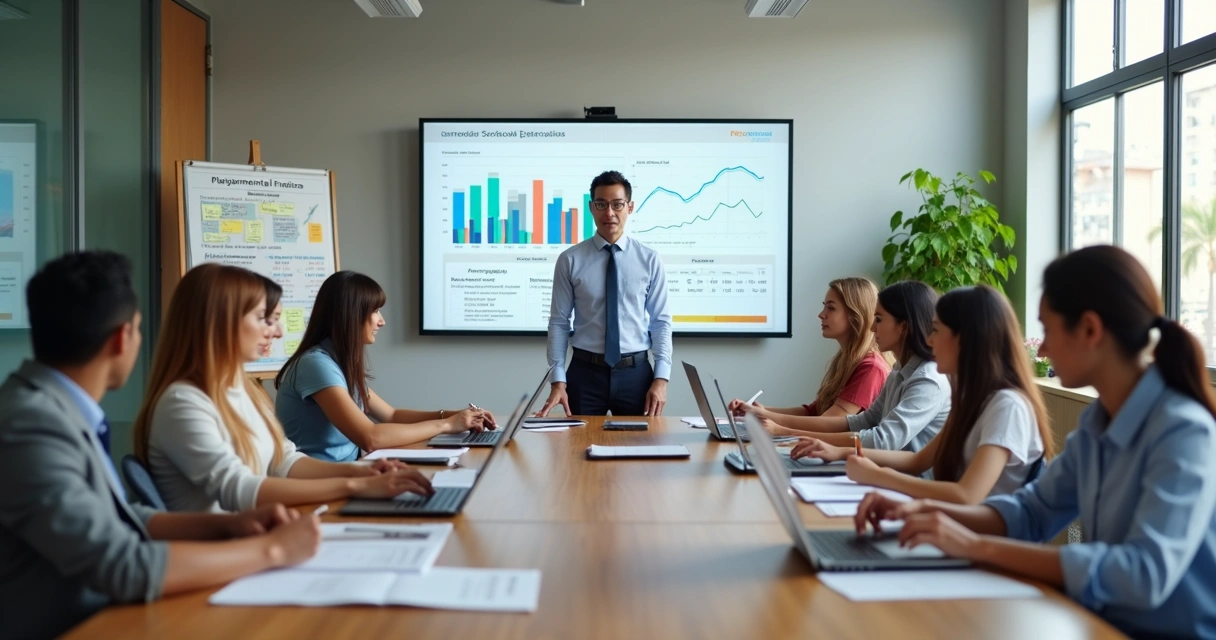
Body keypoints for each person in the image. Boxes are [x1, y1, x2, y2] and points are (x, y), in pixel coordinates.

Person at [857, 246, 1216, 639]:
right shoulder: (1097, 422)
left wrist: (975, 546)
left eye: (1047, 331)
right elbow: (1032, 512)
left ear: (1090, 330)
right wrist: (922, 510)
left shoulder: (1184, 430)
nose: (1040, 350)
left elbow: (1142, 574)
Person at [0, 251, 321, 640]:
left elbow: (115, 517)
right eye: (138, 329)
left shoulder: (52, 408)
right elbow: (123, 566)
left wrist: (229, 525)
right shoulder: (31, 425)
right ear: (122, 338)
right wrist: (273, 551)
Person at [134, 264, 434, 513]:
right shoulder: (182, 402)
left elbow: (284, 461)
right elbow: (237, 489)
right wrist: (355, 485)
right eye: (264, 319)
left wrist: (363, 471)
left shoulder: (246, 391)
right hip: (227, 551)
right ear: (219, 323)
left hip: (257, 535)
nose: (277, 332)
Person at [791, 285, 1053, 503]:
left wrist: (876, 475)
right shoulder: (970, 398)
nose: (929, 340)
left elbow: (966, 496)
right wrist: (840, 453)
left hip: (972, 536)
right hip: (946, 521)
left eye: (936, 330)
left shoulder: (1006, 406)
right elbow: (917, 461)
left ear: (964, 339)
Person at [275, 270, 494, 462]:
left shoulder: (337, 360)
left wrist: (454, 416)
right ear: (350, 316)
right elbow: (370, 437)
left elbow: (391, 415)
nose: (381, 321)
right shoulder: (315, 365)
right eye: (375, 311)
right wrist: (447, 425)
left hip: (348, 472)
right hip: (320, 484)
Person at [744, 280, 949, 453]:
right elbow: (862, 421)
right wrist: (768, 417)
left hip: (905, 482)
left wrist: (784, 430)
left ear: (903, 326)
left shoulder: (927, 380)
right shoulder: (898, 370)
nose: (872, 327)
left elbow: (881, 440)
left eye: (878, 319)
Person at [537, 170, 673, 418]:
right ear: (591, 208)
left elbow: (660, 322)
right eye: (601, 204)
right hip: (584, 374)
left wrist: (661, 379)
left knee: (641, 443)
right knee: (577, 443)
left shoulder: (650, 260)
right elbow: (559, 322)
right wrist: (558, 381)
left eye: (617, 204)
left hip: (637, 375)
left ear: (630, 207)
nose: (609, 212)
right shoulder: (570, 260)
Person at [727, 277, 890, 423]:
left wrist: (764, 416)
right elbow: (814, 412)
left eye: (831, 308)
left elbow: (829, 421)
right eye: (824, 307)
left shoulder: (871, 368)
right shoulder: (846, 360)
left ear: (856, 315)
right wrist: (759, 411)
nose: (821, 314)